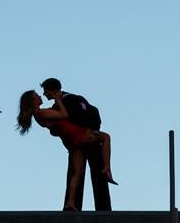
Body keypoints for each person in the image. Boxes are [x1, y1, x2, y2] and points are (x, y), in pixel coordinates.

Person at [17, 90, 117, 211]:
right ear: (33, 101)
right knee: (105, 137)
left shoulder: (40, 114)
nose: (40, 96)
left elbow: (54, 125)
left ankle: (70, 202)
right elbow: (64, 115)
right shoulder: (42, 113)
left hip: (71, 141)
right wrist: (58, 99)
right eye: (36, 96)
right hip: (78, 135)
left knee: (77, 173)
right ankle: (106, 168)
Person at [41, 78, 112, 212]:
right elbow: (93, 111)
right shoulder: (75, 98)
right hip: (90, 137)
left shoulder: (63, 103)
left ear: (53, 90)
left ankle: (72, 205)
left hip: (79, 140)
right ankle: (103, 208)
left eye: (46, 91)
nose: (44, 95)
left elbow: (61, 123)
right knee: (95, 174)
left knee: (75, 173)